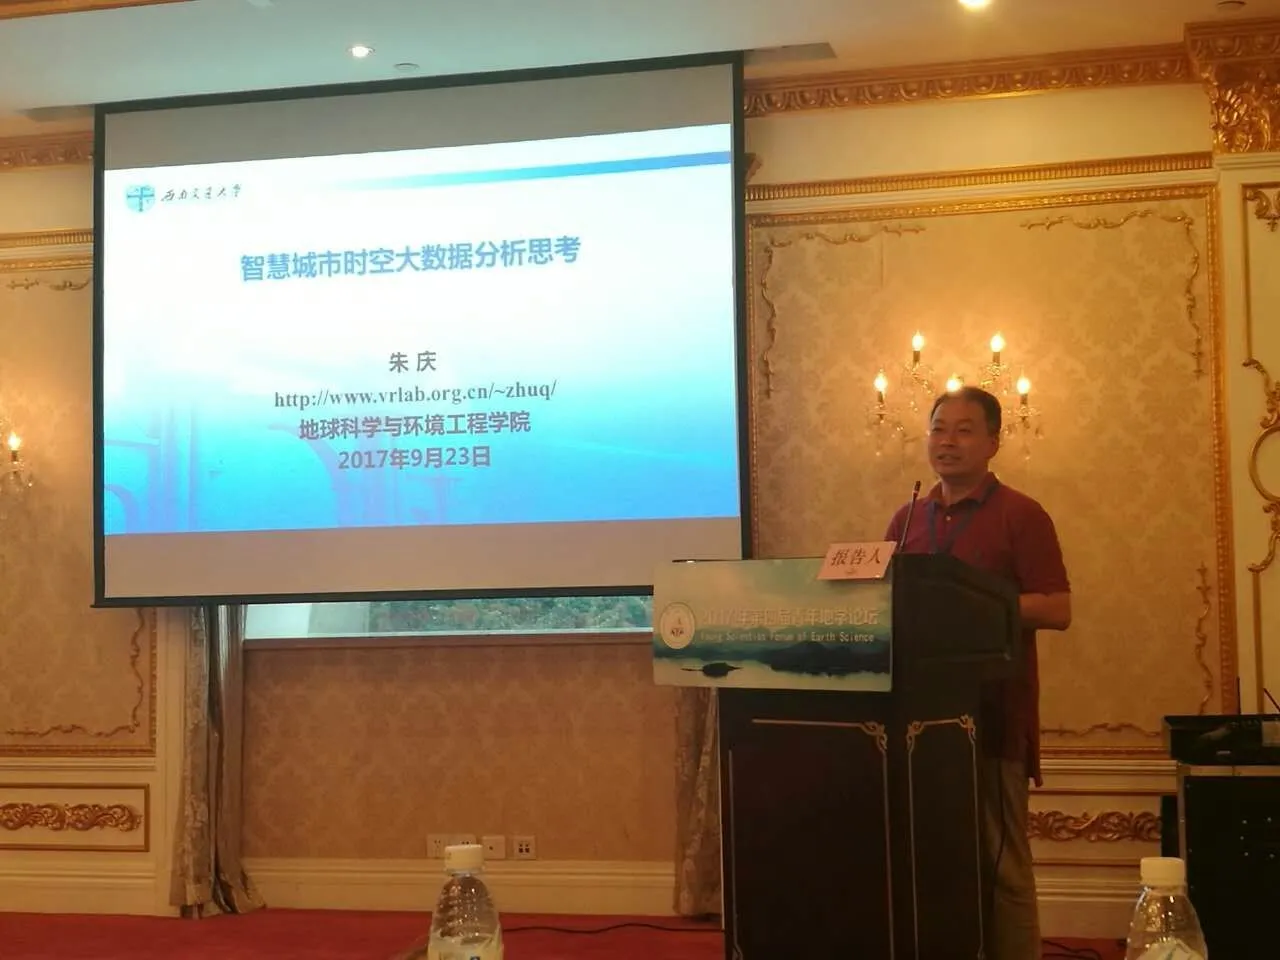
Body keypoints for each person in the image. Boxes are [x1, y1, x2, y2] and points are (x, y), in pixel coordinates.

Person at [884, 385, 1071, 960]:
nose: (948, 441)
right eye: (938, 428)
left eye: (964, 430)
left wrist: (971, 605)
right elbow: (882, 601)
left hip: (993, 715)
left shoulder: (1022, 514)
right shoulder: (906, 518)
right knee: (930, 859)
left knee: (1002, 862)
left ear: (993, 442)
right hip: (915, 723)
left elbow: (1057, 608)